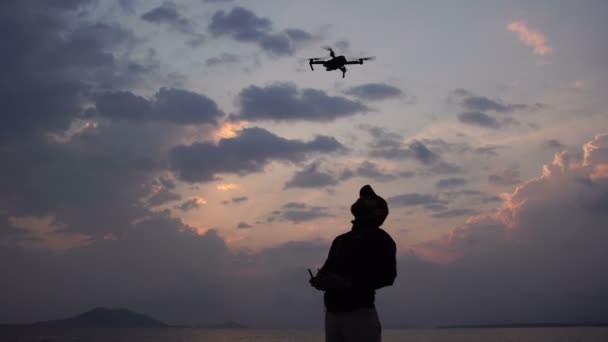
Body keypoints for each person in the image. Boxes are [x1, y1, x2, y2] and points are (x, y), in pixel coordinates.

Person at [310, 185, 397, 342]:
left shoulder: (381, 239)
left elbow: (388, 276)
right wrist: (320, 280)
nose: (362, 199)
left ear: (378, 212)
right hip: (332, 314)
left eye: (368, 199)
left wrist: (349, 283)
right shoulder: (340, 240)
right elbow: (327, 269)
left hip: (359, 315)